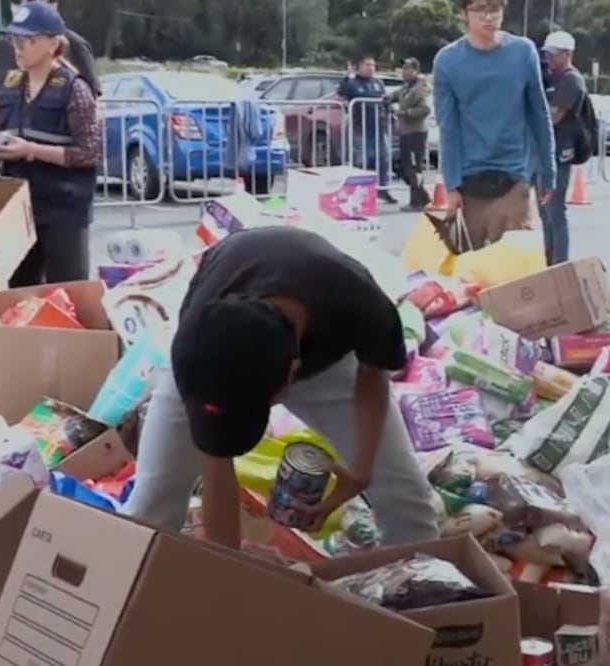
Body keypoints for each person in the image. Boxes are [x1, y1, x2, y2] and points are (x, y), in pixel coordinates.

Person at [122, 226, 440, 550]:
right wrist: (228, 579)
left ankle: (425, 588)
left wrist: (361, 471)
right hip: (213, 357)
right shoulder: (196, 346)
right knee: (151, 505)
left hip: (330, 361)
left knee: (406, 497)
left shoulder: (362, 305)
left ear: (290, 375)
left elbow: (373, 377)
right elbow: (218, 459)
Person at [0, 1, 102, 287]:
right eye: (15, 39)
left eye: (29, 40)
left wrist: (30, 150)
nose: (19, 47)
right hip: (19, 210)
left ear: (53, 44)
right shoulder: (11, 87)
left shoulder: (75, 90)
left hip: (63, 210)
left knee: (67, 293)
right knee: (20, 293)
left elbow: (89, 153)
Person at [432, 0, 554, 249]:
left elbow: (539, 114)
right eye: (479, 10)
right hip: (469, 178)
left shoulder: (523, 51)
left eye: (495, 9)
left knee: (514, 269)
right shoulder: (448, 61)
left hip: (514, 174)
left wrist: (548, 171)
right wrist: (451, 185)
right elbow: (448, 127)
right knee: (468, 271)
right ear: (464, 13)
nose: (488, 17)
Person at [539, 30, 588, 265]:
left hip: (561, 149)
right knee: (545, 211)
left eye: (553, 54)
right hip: (548, 149)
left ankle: (559, 262)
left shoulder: (570, 79)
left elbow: (556, 115)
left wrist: (534, 115)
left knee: (555, 209)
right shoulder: (554, 77)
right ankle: (548, 259)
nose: (549, 59)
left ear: (567, 54)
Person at [0, 0, 98, 96]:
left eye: (49, 1)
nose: (19, 48)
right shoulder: (4, 47)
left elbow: (93, 103)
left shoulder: (76, 46)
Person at [339, 56, 397, 205]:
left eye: (373, 65)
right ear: (360, 66)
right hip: (361, 128)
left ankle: (383, 190)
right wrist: (345, 78)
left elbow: (385, 102)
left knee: (383, 160)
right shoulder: (352, 83)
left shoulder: (378, 83)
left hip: (380, 126)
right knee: (361, 161)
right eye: (367, 65)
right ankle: (358, 192)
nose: (371, 67)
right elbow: (342, 96)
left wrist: (391, 117)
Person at [391, 57, 431, 211]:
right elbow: (398, 94)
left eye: (408, 69)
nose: (404, 72)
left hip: (416, 132)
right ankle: (423, 196)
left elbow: (425, 109)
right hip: (406, 132)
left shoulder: (420, 88)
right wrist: (389, 98)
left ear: (416, 71)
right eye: (404, 69)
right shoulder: (407, 87)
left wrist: (405, 113)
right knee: (405, 167)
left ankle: (416, 202)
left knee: (414, 168)